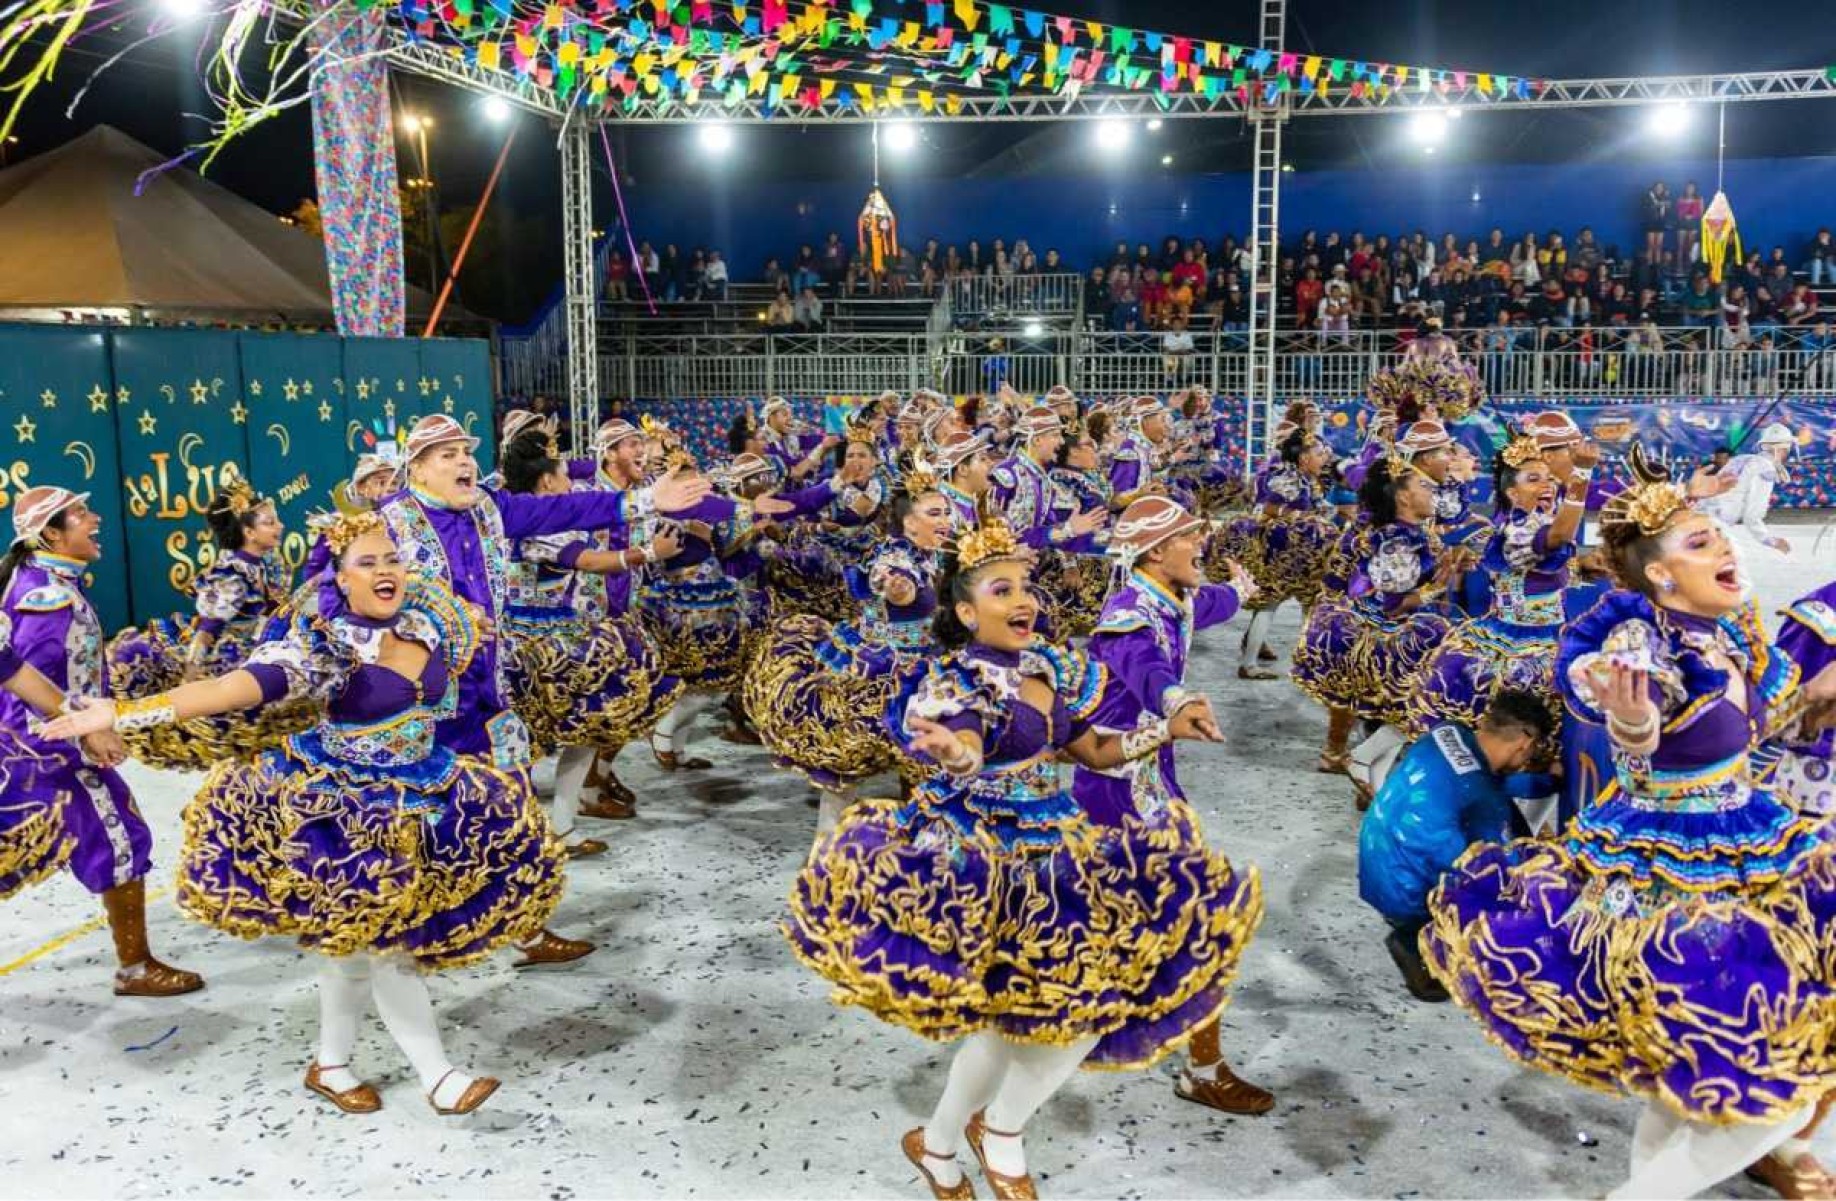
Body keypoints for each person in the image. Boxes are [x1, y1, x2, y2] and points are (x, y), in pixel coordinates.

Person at [784, 500, 1261, 1199]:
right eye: (1000, 589)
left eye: (1026, 586)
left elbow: (1094, 750)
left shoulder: (1049, 666)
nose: (1023, 599)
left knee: (1048, 1013)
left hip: (1053, 848)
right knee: (1043, 1015)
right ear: (968, 613)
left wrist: (1167, 728)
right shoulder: (960, 679)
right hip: (984, 862)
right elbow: (970, 743)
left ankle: (944, 1142)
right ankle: (996, 1133)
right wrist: (955, 751)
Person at [41, 515, 565, 1116]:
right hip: (345, 817)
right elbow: (232, 688)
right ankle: (439, 1077)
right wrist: (126, 713)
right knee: (389, 948)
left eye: (391, 559)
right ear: (340, 580)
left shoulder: (427, 623)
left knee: (349, 954)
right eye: (367, 563)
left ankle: (331, 1065)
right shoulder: (326, 647)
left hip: (425, 795)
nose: (384, 570)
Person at [1424, 446, 1836, 1200]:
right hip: (1672, 869)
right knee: (1784, 1085)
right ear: (1658, 574)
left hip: (1746, 841)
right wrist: (1635, 715)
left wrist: (1816, 691)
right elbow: (1636, 725)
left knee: (1680, 1064)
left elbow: (1758, 720)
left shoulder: (1731, 636)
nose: (1724, 548)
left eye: (1719, 534)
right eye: (1699, 541)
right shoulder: (1640, 642)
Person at [380, 413, 710, 966]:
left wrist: (646, 500)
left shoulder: (488, 507)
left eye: (466, 451)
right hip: (419, 708)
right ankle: (422, 930)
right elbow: (338, 595)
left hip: (490, 695)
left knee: (513, 813)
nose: (463, 462)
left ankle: (527, 930)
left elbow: (561, 508)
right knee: (423, 822)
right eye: (447, 455)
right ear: (416, 468)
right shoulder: (388, 526)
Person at [1074, 495, 1274, 1116]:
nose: (1203, 547)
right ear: (1157, 551)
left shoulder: (1170, 594)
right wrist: (1179, 703)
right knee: (1197, 922)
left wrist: (1238, 592)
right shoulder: (1130, 616)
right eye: (1192, 537)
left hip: (1137, 776)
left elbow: (1203, 606)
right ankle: (1203, 1070)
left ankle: (1081, 1028)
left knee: (1112, 914)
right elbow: (1147, 669)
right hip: (1120, 786)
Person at [0, 486, 203, 996]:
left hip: (44, 744)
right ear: (51, 533)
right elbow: (36, 678)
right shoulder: (45, 596)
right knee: (119, 838)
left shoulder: (47, 583)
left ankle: (136, 964)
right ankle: (135, 968)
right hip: (47, 749)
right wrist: (89, 730)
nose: (96, 520)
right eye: (83, 514)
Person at [497, 430, 684, 858]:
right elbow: (585, 561)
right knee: (583, 724)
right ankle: (547, 825)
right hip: (547, 648)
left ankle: (548, 822)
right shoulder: (540, 520)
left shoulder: (505, 514)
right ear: (546, 482)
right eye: (564, 474)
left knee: (528, 741)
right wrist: (649, 554)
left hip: (517, 642)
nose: (571, 483)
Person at [744, 465, 952, 836]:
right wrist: (893, 585)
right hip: (880, 673)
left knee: (919, 760)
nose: (946, 521)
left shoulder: (925, 552)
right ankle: (827, 851)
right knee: (848, 761)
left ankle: (914, 838)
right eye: (934, 514)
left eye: (947, 512)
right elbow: (884, 579)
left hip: (920, 662)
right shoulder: (895, 559)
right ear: (908, 523)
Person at [1358, 688, 1555, 1002]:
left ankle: (1417, 925)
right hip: (1403, 889)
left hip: (1375, 858)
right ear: (1526, 742)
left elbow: (1482, 780)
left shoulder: (1449, 732)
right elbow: (1494, 860)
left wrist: (1545, 783)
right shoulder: (1483, 799)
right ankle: (1417, 939)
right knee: (1514, 889)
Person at [105, 480, 300, 771]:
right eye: (270, 523)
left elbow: (275, 608)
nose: (280, 527)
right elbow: (210, 626)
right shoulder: (232, 573)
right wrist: (192, 668)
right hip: (222, 650)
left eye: (277, 520)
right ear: (248, 532)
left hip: (249, 642)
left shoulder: (262, 564)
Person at [1701, 422, 1797, 555]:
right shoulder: (1766, 470)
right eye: (1788, 449)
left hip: (1698, 516)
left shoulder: (1741, 459)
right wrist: (1770, 540)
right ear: (1782, 449)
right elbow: (1751, 516)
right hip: (1713, 525)